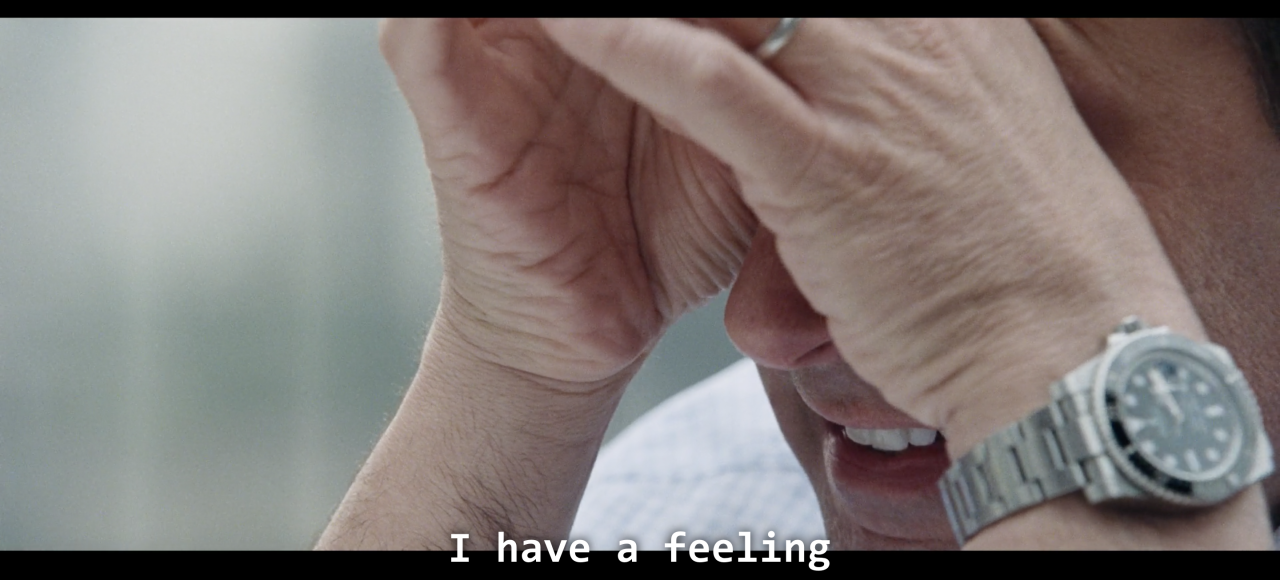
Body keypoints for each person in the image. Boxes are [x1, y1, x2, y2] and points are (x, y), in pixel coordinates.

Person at [316, 18, 1280, 550]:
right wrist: (515, 372)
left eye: (1005, 170)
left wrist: (1029, 359)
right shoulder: (686, 509)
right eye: (788, 142)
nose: (766, 323)